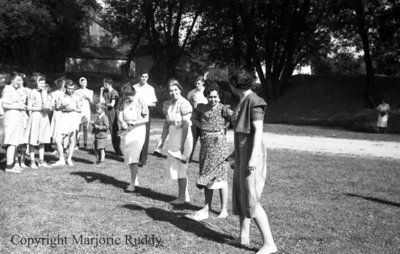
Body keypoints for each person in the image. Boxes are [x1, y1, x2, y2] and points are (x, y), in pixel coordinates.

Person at [227, 74, 277, 254]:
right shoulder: (243, 100)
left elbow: (258, 131)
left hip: (251, 155)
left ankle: (270, 244)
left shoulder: (254, 101)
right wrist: (235, 154)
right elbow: (242, 134)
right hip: (242, 153)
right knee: (241, 194)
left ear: (235, 84)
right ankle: (243, 237)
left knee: (251, 199)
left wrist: (253, 157)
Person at [186, 83, 231, 221]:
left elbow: (233, 118)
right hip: (205, 146)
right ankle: (207, 207)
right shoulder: (201, 107)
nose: (213, 100)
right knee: (206, 176)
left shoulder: (224, 108)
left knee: (221, 178)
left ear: (219, 96)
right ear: (206, 96)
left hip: (220, 147)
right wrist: (203, 126)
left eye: (215, 97)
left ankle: (224, 210)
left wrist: (224, 128)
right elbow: (193, 118)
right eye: (210, 97)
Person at [158, 79, 193, 204]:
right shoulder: (169, 104)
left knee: (181, 167)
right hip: (173, 137)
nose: (173, 93)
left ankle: (181, 197)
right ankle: (185, 196)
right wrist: (161, 142)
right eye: (171, 90)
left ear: (180, 90)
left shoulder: (185, 104)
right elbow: (166, 125)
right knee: (177, 167)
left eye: (175, 90)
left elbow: (185, 125)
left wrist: (182, 145)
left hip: (183, 138)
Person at [118, 85, 149, 192]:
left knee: (134, 157)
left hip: (138, 130)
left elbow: (146, 118)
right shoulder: (123, 101)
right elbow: (120, 115)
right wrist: (122, 122)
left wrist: (133, 123)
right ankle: (135, 179)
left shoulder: (140, 101)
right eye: (126, 96)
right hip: (127, 131)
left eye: (130, 96)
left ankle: (132, 184)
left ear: (134, 93)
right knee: (130, 156)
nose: (128, 98)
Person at [24, 76, 52, 168]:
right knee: (33, 139)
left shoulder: (45, 92)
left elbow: (47, 104)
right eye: (41, 83)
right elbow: (29, 107)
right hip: (36, 116)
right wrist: (39, 108)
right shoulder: (32, 92)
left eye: (44, 83)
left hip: (44, 117)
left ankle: (41, 160)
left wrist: (49, 106)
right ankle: (32, 161)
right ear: (36, 83)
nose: (42, 85)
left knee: (42, 140)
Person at [2, 72, 27, 173]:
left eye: (20, 80)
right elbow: (4, 105)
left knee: (15, 142)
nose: (19, 82)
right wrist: (18, 107)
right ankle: (9, 167)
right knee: (11, 142)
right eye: (17, 80)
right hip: (10, 117)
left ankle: (13, 164)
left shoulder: (16, 90)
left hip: (17, 117)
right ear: (11, 80)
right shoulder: (7, 89)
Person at [53, 80, 82, 166]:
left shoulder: (77, 97)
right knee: (58, 139)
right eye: (69, 88)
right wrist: (63, 107)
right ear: (66, 88)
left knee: (72, 139)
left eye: (72, 88)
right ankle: (61, 158)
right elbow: (57, 108)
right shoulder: (61, 96)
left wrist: (73, 109)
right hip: (64, 117)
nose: (70, 90)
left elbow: (80, 109)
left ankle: (69, 158)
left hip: (73, 118)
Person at [131, 70, 157, 166]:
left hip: (145, 114)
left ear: (148, 77)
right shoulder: (134, 87)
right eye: (142, 77)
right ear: (139, 77)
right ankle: (135, 157)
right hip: (135, 113)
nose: (144, 79)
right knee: (135, 134)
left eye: (146, 77)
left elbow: (154, 103)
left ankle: (143, 159)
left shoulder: (150, 89)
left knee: (145, 136)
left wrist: (145, 104)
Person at [187, 76, 208, 162]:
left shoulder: (206, 91)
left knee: (204, 138)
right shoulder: (193, 92)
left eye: (198, 83)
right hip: (195, 115)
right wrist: (192, 103)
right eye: (196, 83)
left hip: (204, 115)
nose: (197, 85)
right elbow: (188, 98)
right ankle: (189, 157)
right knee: (193, 137)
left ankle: (203, 159)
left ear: (203, 83)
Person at [100, 78, 122, 155]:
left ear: (107, 84)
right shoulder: (105, 91)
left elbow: (112, 104)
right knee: (103, 130)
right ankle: (102, 149)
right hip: (105, 112)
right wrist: (101, 91)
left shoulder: (114, 92)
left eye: (104, 83)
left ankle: (118, 150)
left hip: (112, 113)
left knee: (114, 131)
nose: (103, 84)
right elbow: (101, 101)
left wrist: (105, 104)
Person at [76, 77, 93, 148]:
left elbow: (92, 102)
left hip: (86, 109)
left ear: (86, 83)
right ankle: (77, 143)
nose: (83, 84)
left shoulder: (90, 91)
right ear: (80, 83)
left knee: (85, 127)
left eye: (84, 82)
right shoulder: (76, 91)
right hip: (79, 109)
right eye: (82, 82)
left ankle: (85, 143)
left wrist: (88, 98)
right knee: (78, 127)